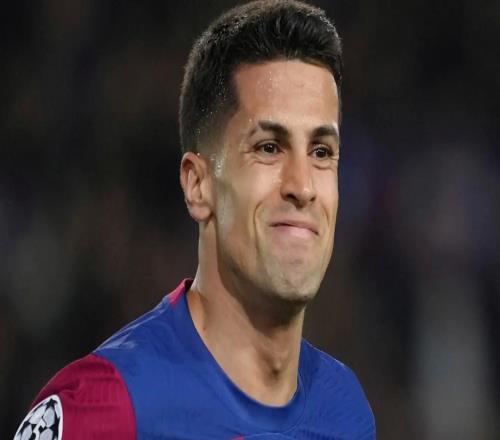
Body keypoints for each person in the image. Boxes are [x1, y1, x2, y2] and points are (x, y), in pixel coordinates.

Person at [14, 1, 375, 438]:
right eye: (268, 147)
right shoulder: (107, 405)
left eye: (321, 152)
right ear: (198, 185)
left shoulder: (344, 409)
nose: (302, 185)